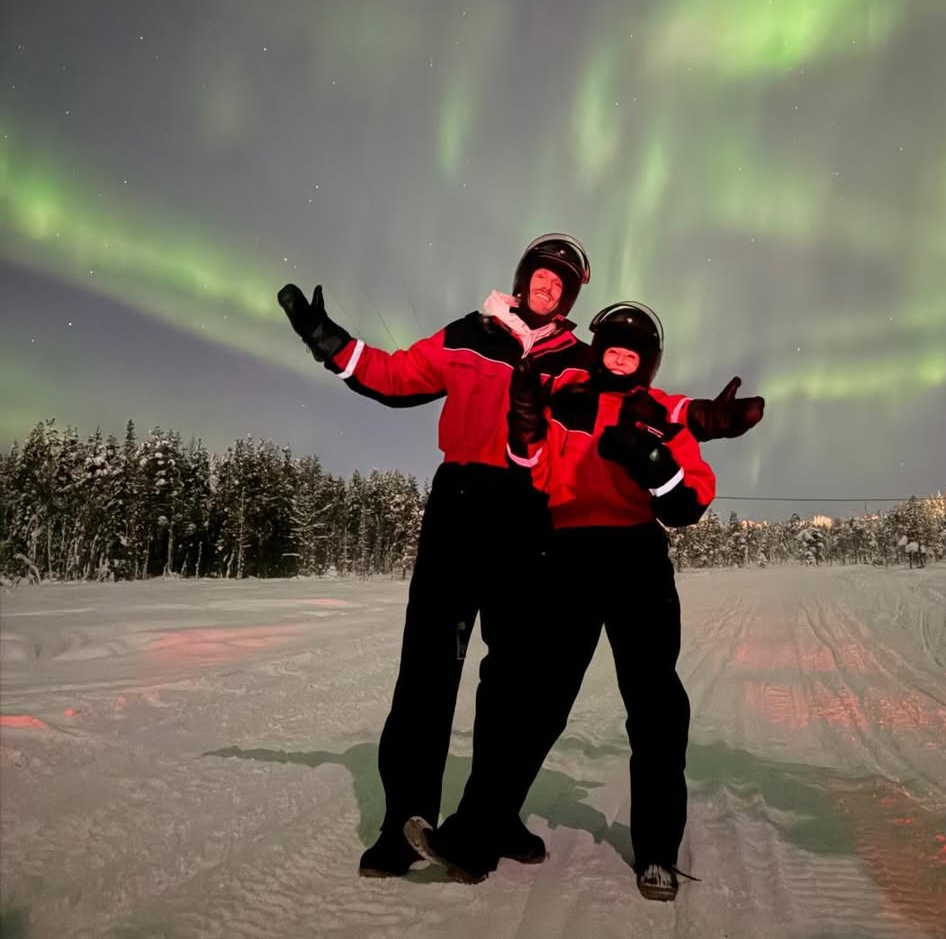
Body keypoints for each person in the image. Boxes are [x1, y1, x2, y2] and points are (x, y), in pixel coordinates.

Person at [279, 241, 760, 879]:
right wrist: (329, 342)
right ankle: (403, 826)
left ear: (573, 298)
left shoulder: (579, 357)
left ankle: (494, 814)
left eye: (563, 285)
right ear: (523, 279)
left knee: (515, 678)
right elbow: (392, 375)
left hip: (534, 517)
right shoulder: (467, 334)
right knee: (431, 665)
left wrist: (707, 418)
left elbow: (639, 398)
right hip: (462, 506)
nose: (549, 289)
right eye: (542, 277)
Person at [406, 301, 764, 902]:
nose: (618, 359)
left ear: (646, 363)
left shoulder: (660, 413)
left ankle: (656, 852)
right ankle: (474, 838)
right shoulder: (565, 397)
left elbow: (688, 504)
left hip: (636, 561)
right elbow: (533, 468)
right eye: (611, 348)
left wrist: (657, 467)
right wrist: (523, 429)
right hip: (564, 559)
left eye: (631, 352)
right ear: (597, 351)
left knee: (654, 707)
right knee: (532, 704)